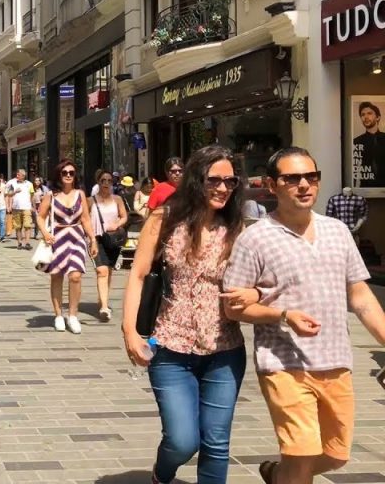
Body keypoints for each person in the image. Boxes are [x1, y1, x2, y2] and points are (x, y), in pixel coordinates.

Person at [223, 147, 385, 484]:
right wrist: (282, 315)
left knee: (336, 455)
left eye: (311, 177)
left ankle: (276, 474)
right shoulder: (254, 239)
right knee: (301, 454)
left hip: (336, 361)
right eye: (292, 178)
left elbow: (360, 296)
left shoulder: (337, 231)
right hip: (284, 364)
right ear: (272, 185)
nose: (304, 185)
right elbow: (233, 307)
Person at [121, 145, 248, 484]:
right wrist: (130, 331)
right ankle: (161, 475)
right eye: (214, 180)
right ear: (196, 179)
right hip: (170, 349)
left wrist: (254, 295)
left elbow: (259, 280)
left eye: (230, 182)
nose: (222, 188)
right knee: (182, 441)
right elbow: (138, 275)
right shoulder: (165, 219)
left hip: (225, 350)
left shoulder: (237, 227)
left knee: (216, 443)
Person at [38, 160, 97, 334]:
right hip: (57, 238)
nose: (68, 175)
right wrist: (45, 233)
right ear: (59, 175)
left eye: (71, 172)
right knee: (57, 276)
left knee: (76, 276)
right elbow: (40, 217)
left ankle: (73, 316)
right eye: (65, 173)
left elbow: (85, 219)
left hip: (77, 237)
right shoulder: (51, 196)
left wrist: (93, 239)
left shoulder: (80, 194)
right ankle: (58, 315)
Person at [91, 170, 127, 323]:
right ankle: (104, 308)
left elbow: (124, 216)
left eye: (109, 181)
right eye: (103, 180)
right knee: (102, 271)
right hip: (96, 238)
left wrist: (116, 224)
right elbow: (84, 219)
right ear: (98, 182)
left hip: (112, 239)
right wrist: (89, 237)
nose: (106, 183)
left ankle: (103, 298)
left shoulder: (117, 199)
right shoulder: (90, 200)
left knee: (109, 271)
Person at [353, 101, 385, 187]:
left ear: (378, 117)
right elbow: (353, 170)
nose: (365, 117)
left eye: (369, 113)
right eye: (362, 115)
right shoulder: (356, 142)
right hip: (365, 188)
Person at [6, 169, 35, 250]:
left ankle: (27, 243)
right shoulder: (12, 183)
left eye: (19, 175)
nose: (17, 176)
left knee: (27, 225)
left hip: (27, 207)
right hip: (16, 208)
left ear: (23, 176)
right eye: (17, 174)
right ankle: (19, 243)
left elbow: (32, 196)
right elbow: (9, 194)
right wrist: (15, 192)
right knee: (18, 226)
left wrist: (33, 206)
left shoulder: (29, 184)